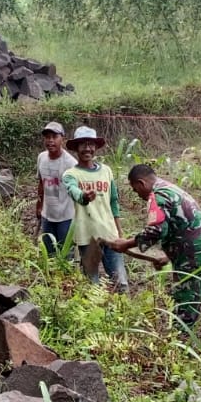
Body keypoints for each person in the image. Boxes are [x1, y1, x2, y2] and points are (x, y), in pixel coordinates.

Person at [107, 165, 201, 341]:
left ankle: (178, 358)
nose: (137, 194)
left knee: (185, 312)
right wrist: (169, 255)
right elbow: (183, 226)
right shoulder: (173, 189)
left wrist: (126, 244)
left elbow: (155, 231)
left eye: (135, 189)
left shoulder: (158, 196)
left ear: (141, 183)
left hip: (195, 261)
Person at [62, 126, 129, 293]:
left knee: (120, 281)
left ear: (96, 147)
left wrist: (119, 232)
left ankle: (124, 314)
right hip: (87, 237)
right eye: (83, 145)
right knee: (92, 284)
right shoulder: (70, 174)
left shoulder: (106, 171)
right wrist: (83, 196)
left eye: (91, 144)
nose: (87, 149)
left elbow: (114, 202)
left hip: (110, 233)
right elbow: (73, 190)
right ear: (76, 148)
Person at [33, 122, 76, 255]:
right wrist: (39, 206)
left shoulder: (71, 163)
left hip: (66, 217)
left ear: (62, 138)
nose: (50, 141)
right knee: (49, 253)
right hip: (47, 215)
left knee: (65, 254)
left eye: (54, 137)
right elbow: (41, 183)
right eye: (47, 137)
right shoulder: (41, 158)